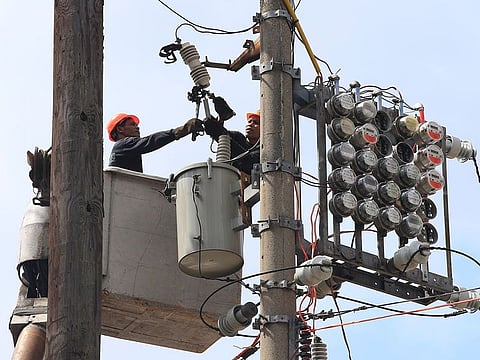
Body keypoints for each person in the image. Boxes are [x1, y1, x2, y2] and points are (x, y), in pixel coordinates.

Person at [107, 113, 203, 173]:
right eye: (132, 125)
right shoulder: (123, 144)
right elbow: (150, 141)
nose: (137, 127)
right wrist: (181, 130)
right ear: (120, 129)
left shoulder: (124, 148)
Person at [204, 110, 260, 175]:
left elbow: (249, 162)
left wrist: (218, 131)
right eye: (249, 121)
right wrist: (213, 124)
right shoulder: (239, 137)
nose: (250, 124)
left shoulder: (264, 149)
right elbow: (225, 134)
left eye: (256, 123)